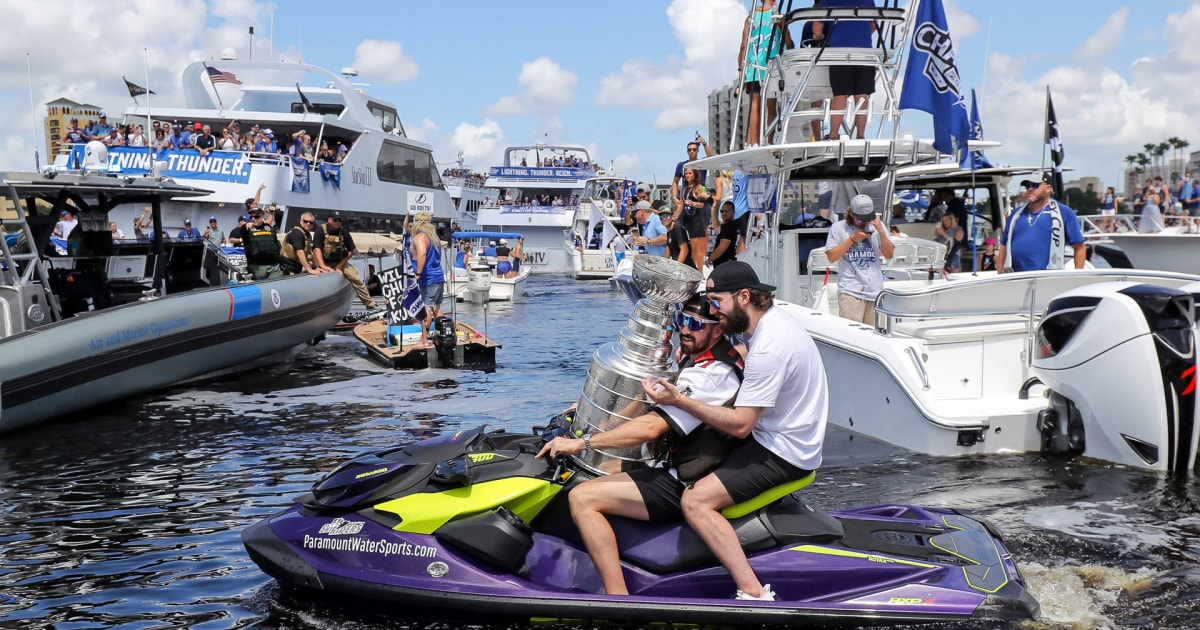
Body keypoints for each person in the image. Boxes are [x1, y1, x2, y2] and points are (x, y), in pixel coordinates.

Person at [642, 261, 829, 602]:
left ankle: (752, 591)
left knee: (695, 500)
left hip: (783, 450)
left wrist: (680, 400)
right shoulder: (766, 322)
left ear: (743, 297)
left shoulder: (771, 345)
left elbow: (742, 426)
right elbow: (745, 352)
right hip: (784, 434)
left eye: (717, 302)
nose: (714, 312)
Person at [537, 295, 743, 597]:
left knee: (583, 497)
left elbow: (651, 427)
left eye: (696, 324)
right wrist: (589, 417)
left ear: (716, 331)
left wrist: (584, 442)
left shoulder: (713, 375)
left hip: (683, 482)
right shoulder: (693, 359)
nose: (685, 329)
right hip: (671, 466)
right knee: (590, 474)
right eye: (681, 321)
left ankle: (617, 596)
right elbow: (643, 403)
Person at [824, 194, 894, 324]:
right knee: (851, 335)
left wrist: (880, 231)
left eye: (868, 219)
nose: (864, 223)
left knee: (876, 336)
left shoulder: (878, 226)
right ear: (851, 213)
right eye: (861, 220)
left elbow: (889, 254)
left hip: (875, 292)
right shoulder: (839, 228)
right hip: (851, 292)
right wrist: (852, 239)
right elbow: (831, 257)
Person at [996, 172, 1086, 273]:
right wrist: (1000, 274)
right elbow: (1004, 246)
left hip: (1047, 278)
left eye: (1035, 185)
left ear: (1048, 188)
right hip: (1016, 277)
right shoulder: (1016, 214)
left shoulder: (1063, 212)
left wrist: (1077, 274)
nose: (1030, 189)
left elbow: (1080, 246)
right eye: (1027, 186)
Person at [738, 0, 791, 147]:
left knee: (754, 104)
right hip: (772, 65)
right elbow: (788, 41)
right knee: (771, 105)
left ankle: (752, 142)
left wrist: (740, 71)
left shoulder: (750, 18)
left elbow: (743, 46)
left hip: (754, 66)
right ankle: (770, 140)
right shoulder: (778, 16)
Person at [824, 0, 877, 140]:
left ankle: (834, 135)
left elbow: (817, 28)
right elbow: (874, 25)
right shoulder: (868, 1)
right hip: (864, 51)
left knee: (840, 94)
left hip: (839, 52)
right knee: (862, 94)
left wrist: (825, 38)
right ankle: (860, 135)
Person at [315, 213, 377, 308]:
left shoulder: (343, 232)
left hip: (340, 262)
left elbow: (351, 251)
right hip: (323, 261)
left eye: (339, 220)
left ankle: (370, 304)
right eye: (335, 220)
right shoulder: (320, 231)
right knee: (316, 277)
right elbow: (316, 249)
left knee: (355, 278)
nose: (338, 222)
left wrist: (339, 267)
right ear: (329, 220)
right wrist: (322, 266)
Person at [410, 211, 446, 323]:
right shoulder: (435, 239)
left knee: (426, 308)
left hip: (428, 278)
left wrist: (418, 274)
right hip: (439, 276)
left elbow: (422, 254)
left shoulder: (420, 237)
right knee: (437, 308)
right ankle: (441, 332)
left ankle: (424, 339)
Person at [679, 168, 714, 270]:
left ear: (694, 174)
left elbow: (702, 204)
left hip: (696, 219)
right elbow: (681, 204)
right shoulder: (685, 189)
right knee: (691, 248)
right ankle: (693, 269)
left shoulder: (698, 187)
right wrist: (675, 216)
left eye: (690, 173)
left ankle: (700, 271)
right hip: (687, 218)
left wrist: (693, 203)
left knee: (696, 247)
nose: (688, 175)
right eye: (686, 174)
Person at [671, 136, 714, 205]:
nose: (692, 151)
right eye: (690, 150)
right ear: (687, 151)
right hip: (686, 198)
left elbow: (711, 158)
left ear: (697, 151)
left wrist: (704, 143)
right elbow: (675, 182)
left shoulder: (702, 163)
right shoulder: (681, 165)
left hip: (700, 196)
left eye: (694, 149)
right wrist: (674, 198)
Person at [242, 207, 283, 280]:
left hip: (273, 267)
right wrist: (245, 226)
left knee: (274, 288)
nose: (253, 219)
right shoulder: (247, 229)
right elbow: (242, 232)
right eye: (252, 217)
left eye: (256, 216)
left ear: (262, 217)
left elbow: (275, 244)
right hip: (257, 267)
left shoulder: (269, 228)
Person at [705, 200, 740, 268]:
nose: (724, 213)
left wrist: (710, 259)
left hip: (725, 266)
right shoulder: (727, 226)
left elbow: (722, 248)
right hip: (724, 265)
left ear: (734, 212)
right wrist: (714, 208)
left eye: (727, 211)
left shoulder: (728, 227)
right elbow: (716, 226)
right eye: (722, 211)